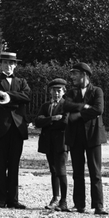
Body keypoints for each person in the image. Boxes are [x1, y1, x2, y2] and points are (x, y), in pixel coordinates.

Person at [0, 50, 31, 209]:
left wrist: (7, 96)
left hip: (17, 127)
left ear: (15, 65)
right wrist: (15, 98)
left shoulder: (22, 82)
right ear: (1, 64)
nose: (8, 66)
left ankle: (13, 199)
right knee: (0, 165)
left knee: (14, 165)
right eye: (5, 62)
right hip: (0, 127)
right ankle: (2, 199)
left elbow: (27, 97)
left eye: (11, 63)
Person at [63, 61, 107, 215]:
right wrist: (84, 106)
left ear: (84, 75)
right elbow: (65, 106)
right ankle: (79, 204)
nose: (72, 77)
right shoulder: (71, 93)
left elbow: (98, 109)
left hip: (93, 136)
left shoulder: (97, 91)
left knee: (95, 172)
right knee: (77, 172)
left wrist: (79, 115)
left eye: (75, 74)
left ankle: (98, 206)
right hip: (76, 137)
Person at [32, 77, 70, 210]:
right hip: (48, 142)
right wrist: (52, 118)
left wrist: (47, 123)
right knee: (53, 170)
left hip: (61, 143)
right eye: (54, 90)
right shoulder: (46, 106)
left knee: (61, 170)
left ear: (64, 91)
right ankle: (55, 197)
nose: (56, 93)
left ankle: (63, 201)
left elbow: (65, 122)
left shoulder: (66, 105)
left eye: (59, 90)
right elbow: (38, 121)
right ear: (50, 92)